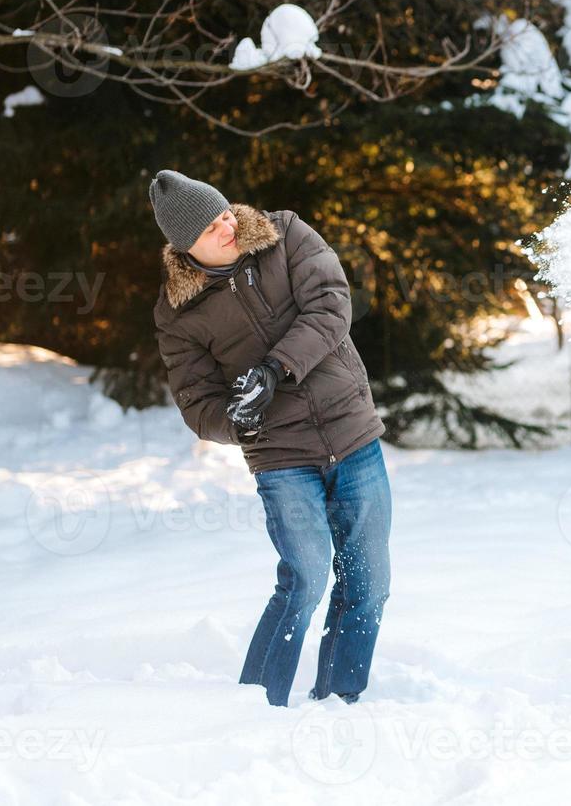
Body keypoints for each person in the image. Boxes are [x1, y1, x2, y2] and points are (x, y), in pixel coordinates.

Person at [149, 169, 391, 705]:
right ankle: (255, 706)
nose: (228, 225)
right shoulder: (177, 314)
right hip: (280, 456)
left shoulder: (286, 235)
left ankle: (339, 698)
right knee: (304, 578)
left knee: (368, 584)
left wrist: (275, 369)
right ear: (187, 247)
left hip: (351, 433)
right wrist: (237, 421)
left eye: (225, 213)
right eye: (212, 227)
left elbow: (331, 304)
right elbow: (195, 401)